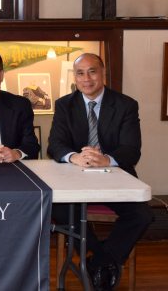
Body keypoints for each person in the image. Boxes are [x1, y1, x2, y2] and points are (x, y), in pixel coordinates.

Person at [48, 53, 153, 291]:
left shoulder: (126, 104)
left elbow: (131, 150)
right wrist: (75, 156)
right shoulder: (65, 104)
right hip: (75, 178)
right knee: (58, 208)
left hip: (115, 176)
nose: (86, 79)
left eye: (92, 71)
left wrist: (106, 159)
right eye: (80, 73)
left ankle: (96, 262)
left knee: (142, 215)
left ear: (103, 73)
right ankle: (103, 260)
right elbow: (55, 145)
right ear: (74, 77)